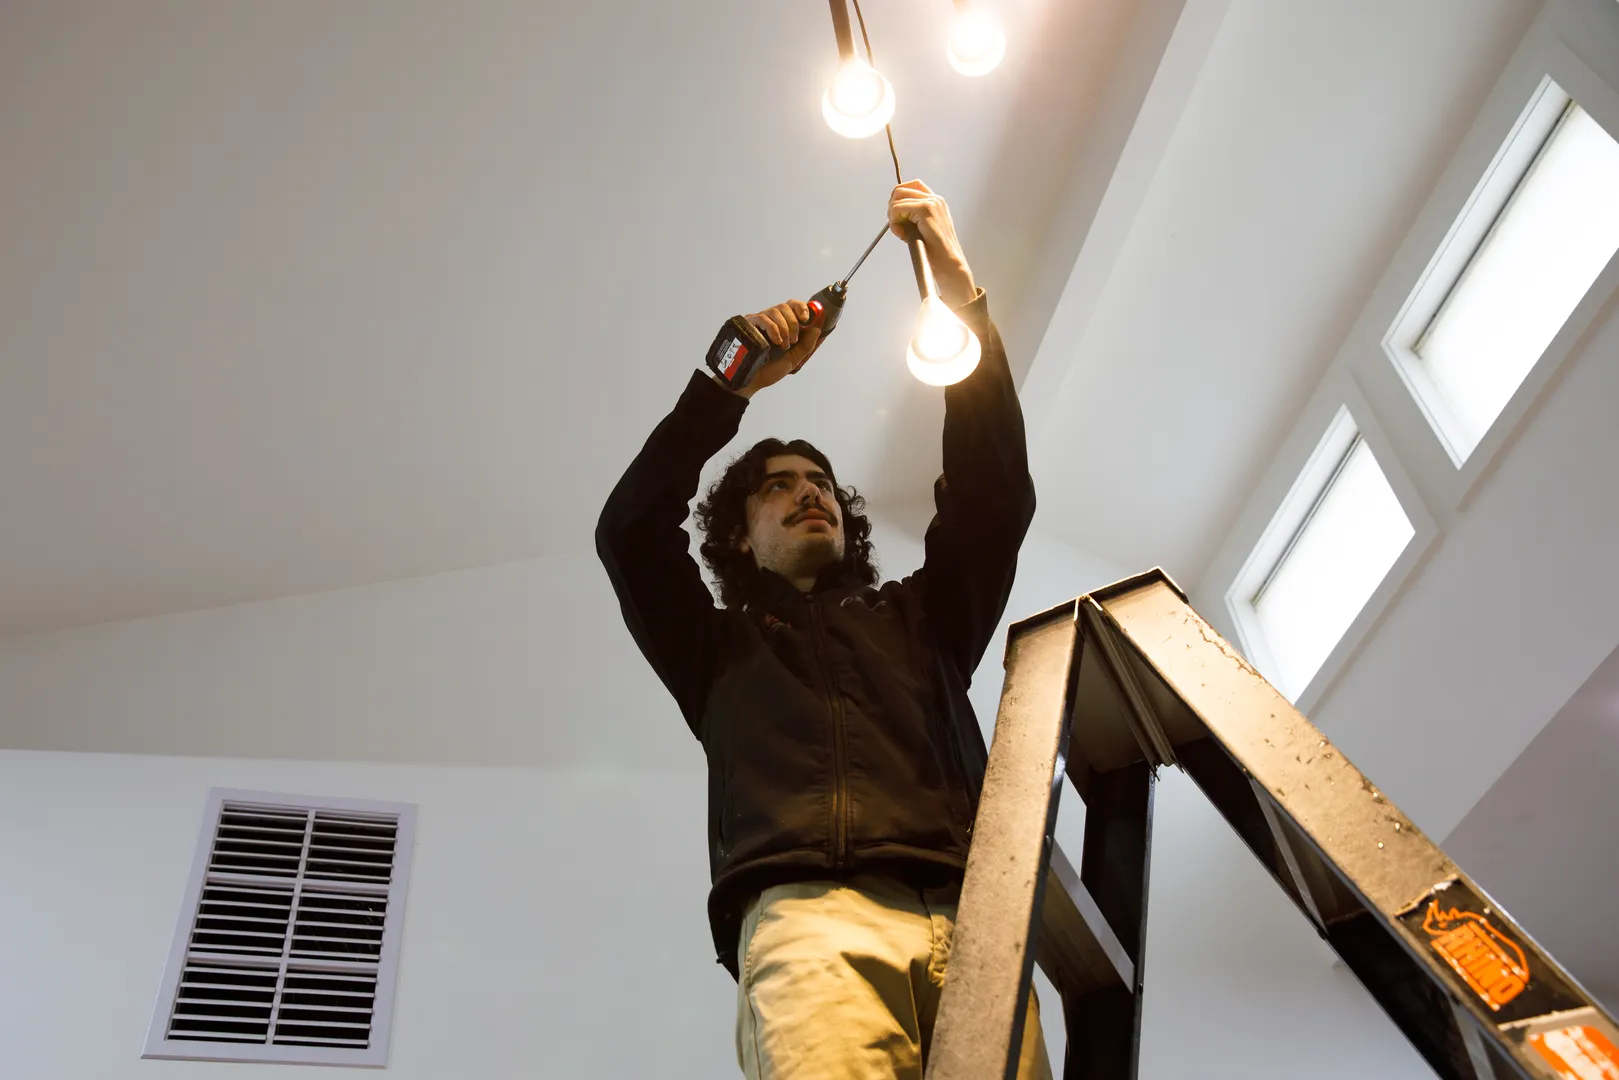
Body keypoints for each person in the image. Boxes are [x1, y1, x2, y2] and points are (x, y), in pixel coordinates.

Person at [596, 180, 1044, 1079]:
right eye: (779, 484)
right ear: (738, 535)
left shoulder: (922, 620)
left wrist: (956, 289)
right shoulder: (714, 651)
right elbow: (629, 531)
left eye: (822, 483)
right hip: (807, 918)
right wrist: (728, 384)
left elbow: (995, 500)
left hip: (974, 916)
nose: (810, 492)